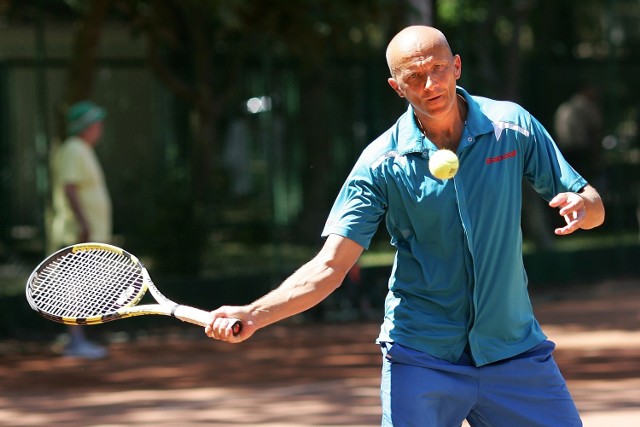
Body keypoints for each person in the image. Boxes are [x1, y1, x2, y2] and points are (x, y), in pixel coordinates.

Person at [205, 26, 605, 426]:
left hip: (514, 352)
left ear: (457, 67)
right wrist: (254, 314)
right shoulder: (380, 163)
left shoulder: (511, 126)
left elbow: (592, 202)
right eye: (414, 76)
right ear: (396, 86)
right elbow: (330, 266)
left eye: (438, 68)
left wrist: (584, 208)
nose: (430, 84)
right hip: (422, 357)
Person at [50, 100, 111, 359]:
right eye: (96, 123)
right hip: (77, 233)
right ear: (86, 126)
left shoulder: (81, 148)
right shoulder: (74, 148)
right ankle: (75, 343)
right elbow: (70, 188)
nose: (100, 128)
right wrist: (83, 225)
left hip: (86, 233)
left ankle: (77, 340)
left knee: (80, 288)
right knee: (73, 288)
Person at [554, 83, 603, 182]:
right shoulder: (586, 104)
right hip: (580, 147)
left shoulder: (565, 106)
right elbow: (595, 126)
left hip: (565, 147)